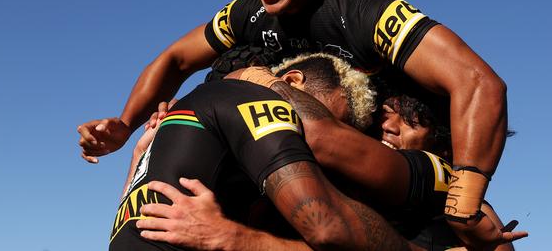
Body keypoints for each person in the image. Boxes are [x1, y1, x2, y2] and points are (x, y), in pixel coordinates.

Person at [80, 0, 509, 242]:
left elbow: (477, 81)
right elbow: (174, 59)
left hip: (395, 173)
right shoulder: (249, 15)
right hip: (310, 173)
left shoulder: (361, 9)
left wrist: (465, 197)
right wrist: (125, 123)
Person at [130, 60, 525, 250]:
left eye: (411, 123)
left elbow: (320, 136)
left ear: (444, 142)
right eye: (384, 118)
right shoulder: (333, 180)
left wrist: (255, 80)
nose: (388, 128)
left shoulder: (438, 179)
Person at [110, 53, 423, 250]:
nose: (323, 154)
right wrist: (236, 239)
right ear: (291, 83)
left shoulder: (166, 133)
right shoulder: (261, 100)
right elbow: (325, 227)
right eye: (324, 116)